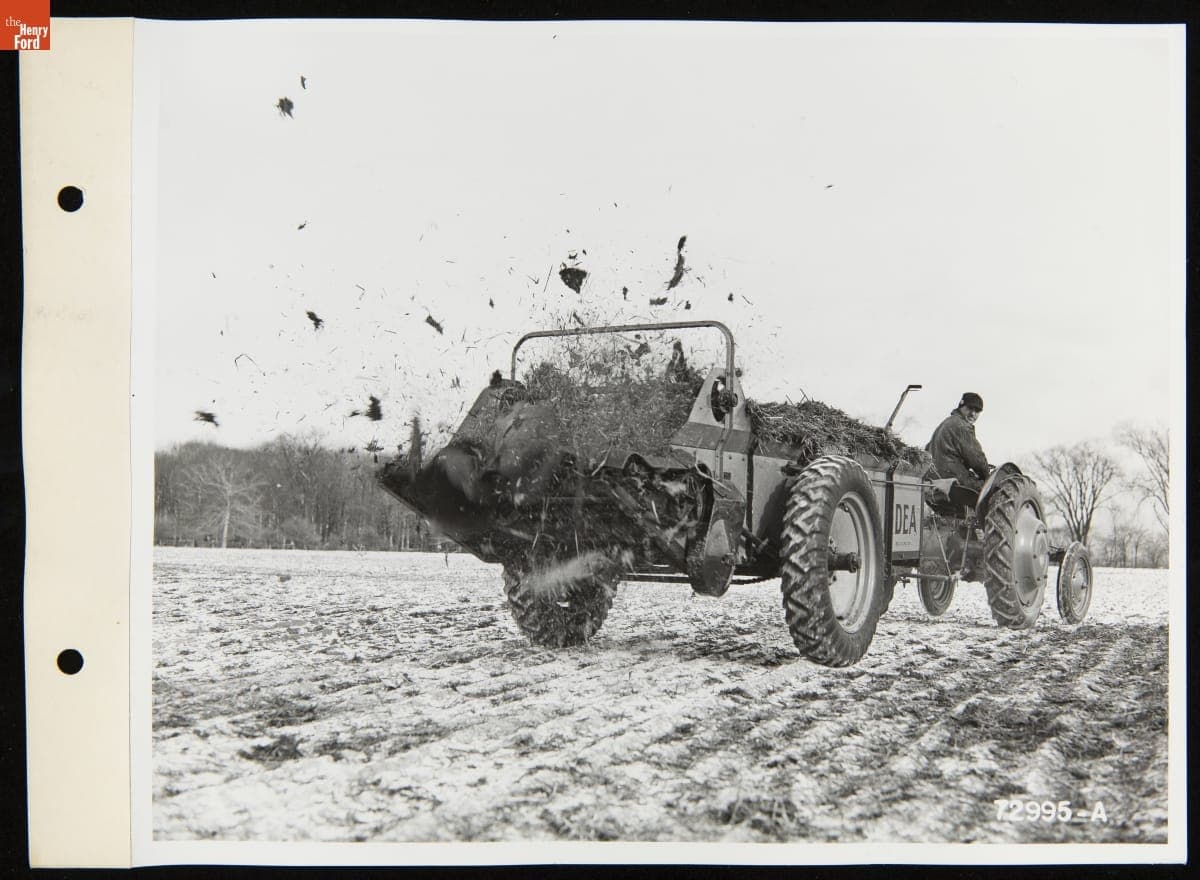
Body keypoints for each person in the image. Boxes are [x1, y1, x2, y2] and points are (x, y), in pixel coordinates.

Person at [926, 392, 991, 492]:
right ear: (961, 406)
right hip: (952, 478)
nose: (973, 414)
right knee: (990, 490)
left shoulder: (946, 423)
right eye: (969, 408)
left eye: (977, 411)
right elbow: (976, 458)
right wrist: (987, 476)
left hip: (933, 479)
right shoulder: (961, 426)